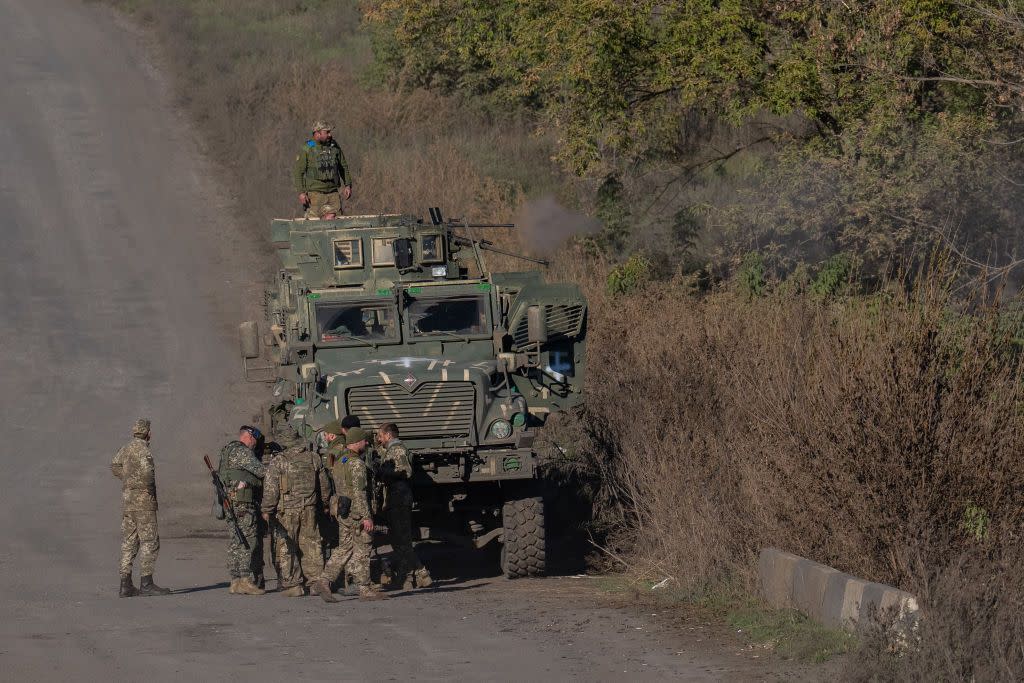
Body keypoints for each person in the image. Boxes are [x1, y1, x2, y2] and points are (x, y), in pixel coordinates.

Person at [314, 428, 387, 602]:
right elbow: (359, 492)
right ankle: (364, 588)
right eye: (364, 441)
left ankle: (324, 580)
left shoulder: (341, 460)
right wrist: (366, 517)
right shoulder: (357, 464)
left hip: (343, 511)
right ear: (357, 442)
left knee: (344, 548)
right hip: (356, 513)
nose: (367, 443)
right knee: (363, 548)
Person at [261, 443, 331, 596]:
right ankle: (315, 582)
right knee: (312, 544)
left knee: (287, 546)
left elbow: (271, 489)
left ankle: (293, 585)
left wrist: (267, 509)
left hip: (286, 511)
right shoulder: (313, 457)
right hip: (309, 508)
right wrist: (325, 503)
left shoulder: (279, 460)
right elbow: (324, 485)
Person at [111, 418, 170, 597]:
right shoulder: (144, 451)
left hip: (128, 502)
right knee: (150, 541)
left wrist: (128, 478)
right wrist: (142, 484)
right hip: (144, 503)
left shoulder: (127, 447)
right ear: (148, 433)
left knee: (129, 541)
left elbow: (114, 465)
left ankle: (125, 583)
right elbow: (147, 474)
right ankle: (146, 583)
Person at [376, 422, 432, 590]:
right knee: (399, 540)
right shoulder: (391, 450)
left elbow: (405, 471)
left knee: (402, 541)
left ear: (388, 435)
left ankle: (421, 573)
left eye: (380, 435)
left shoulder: (398, 449)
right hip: (395, 500)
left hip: (399, 499)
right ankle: (412, 576)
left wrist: (384, 473)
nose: (379, 439)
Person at [218, 425, 267, 595]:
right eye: (255, 441)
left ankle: (236, 580)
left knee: (235, 541)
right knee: (247, 539)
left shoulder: (227, 451)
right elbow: (261, 471)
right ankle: (245, 581)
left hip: (230, 502)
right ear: (250, 437)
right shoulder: (243, 452)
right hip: (242, 502)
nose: (255, 445)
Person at [292, 121, 352, 220]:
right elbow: (298, 172)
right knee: (314, 225)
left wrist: (348, 185)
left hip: (333, 194)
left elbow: (343, 166)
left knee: (338, 224)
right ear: (317, 133)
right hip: (315, 195)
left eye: (330, 132)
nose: (330, 134)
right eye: (327, 132)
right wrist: (301, 193)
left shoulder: (334, 146)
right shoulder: (307, 148)